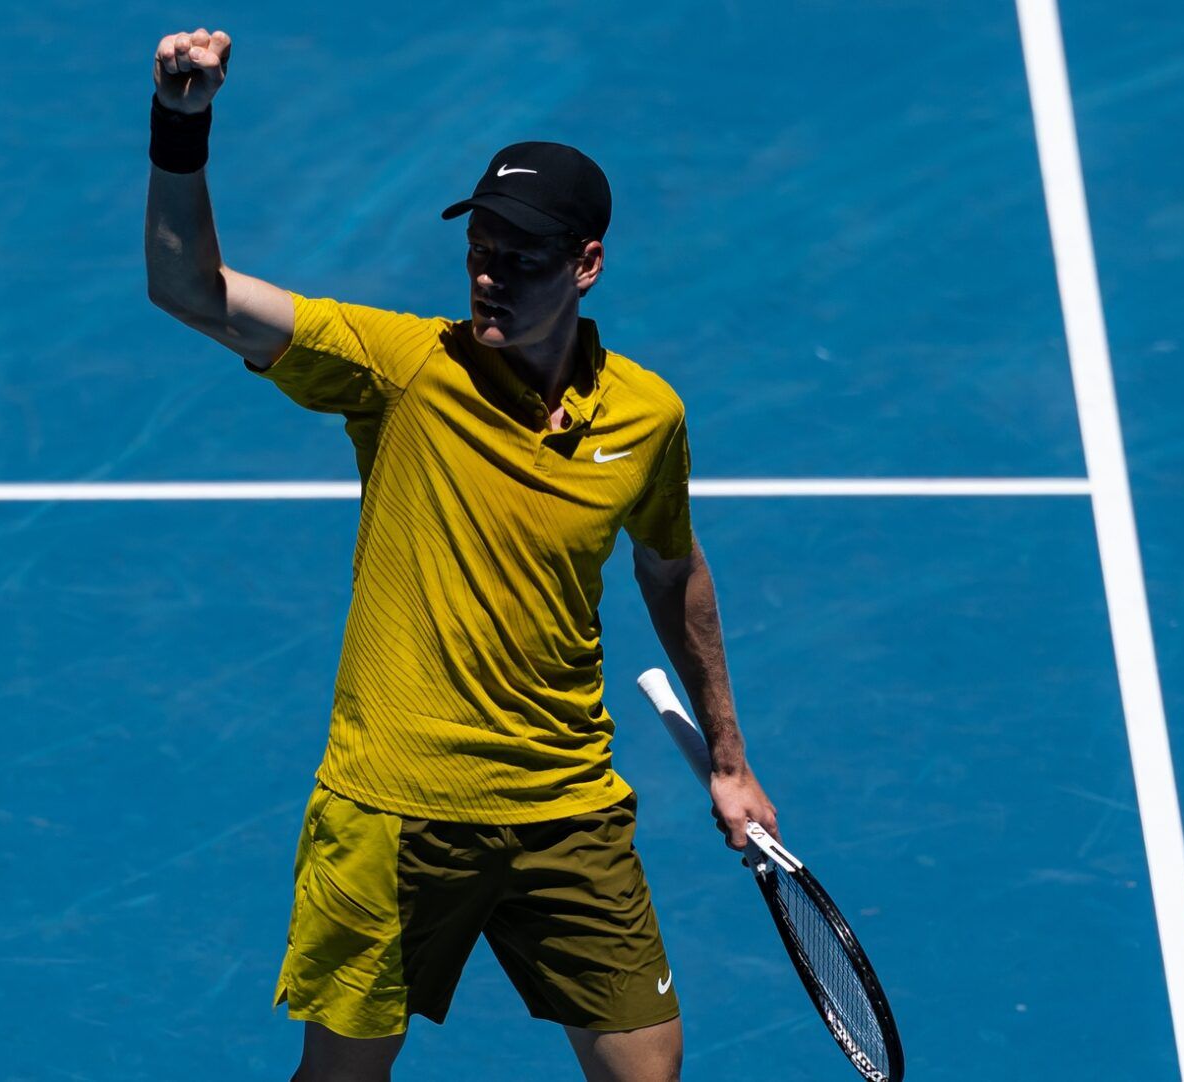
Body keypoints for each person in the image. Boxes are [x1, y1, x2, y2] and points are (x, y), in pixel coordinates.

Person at [144, 27, 779, 1082]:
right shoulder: (401, 370)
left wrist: (729, 758)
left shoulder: (648, 417)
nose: (490, 275)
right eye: (480, 248)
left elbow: (672, 569)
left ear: (586, 265)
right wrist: (181, 126)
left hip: (566, 807)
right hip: (395, 809)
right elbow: (190, 290)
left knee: (650, 1070)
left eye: (521, 258)